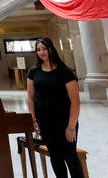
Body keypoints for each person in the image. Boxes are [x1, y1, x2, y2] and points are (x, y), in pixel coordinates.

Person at [27, 37, 84, 178]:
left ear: (51, 49)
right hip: (45, 122)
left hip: (65, 122)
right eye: (38, 50)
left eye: (44, 48)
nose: (41, 52)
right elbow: (30, 97)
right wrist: (33, 120)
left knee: (70, 156)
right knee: (55, 157)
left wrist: (71, 126)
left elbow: (75, 101)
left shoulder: (65, 72)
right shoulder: (33, 72)